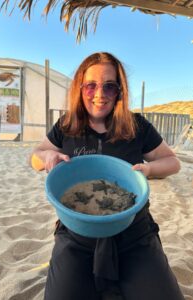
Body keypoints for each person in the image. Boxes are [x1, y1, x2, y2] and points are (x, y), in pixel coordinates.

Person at [29, 52, 184, 300]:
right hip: (76, 234)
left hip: (134, 232)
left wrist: (148, 170)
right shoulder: (66, 125)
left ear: (119, 91)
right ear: (80, 89)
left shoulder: (137, 126)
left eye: (109, 87)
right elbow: (35, 155)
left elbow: (173, 162)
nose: (99, 94)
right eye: (91, 86)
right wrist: (46, 158)